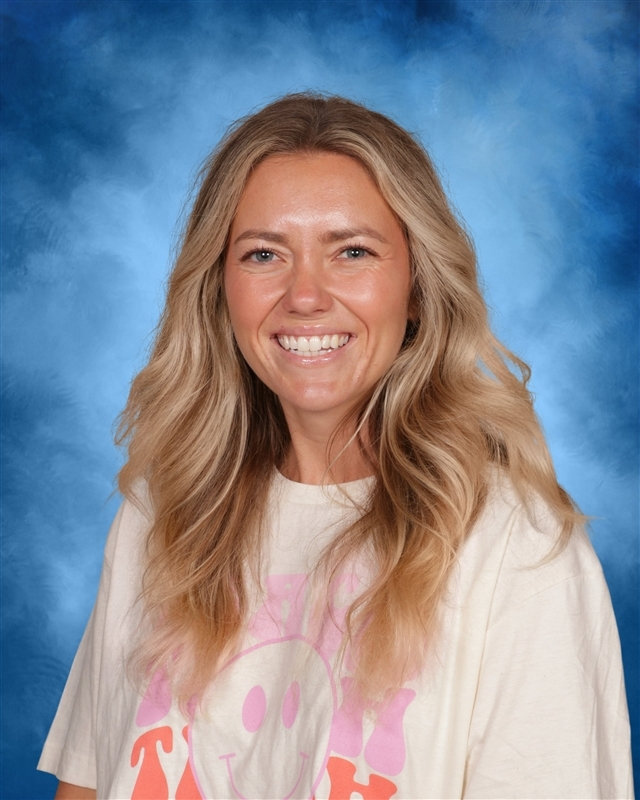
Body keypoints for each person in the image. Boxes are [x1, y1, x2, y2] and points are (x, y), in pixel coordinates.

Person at [39, 93, 632, 799]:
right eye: (264, 254)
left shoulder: (514, 545)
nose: (305, 296)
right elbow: (89, 785)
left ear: (417, 286)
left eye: (352, 252)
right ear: (219, 288)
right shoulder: (163, 512)